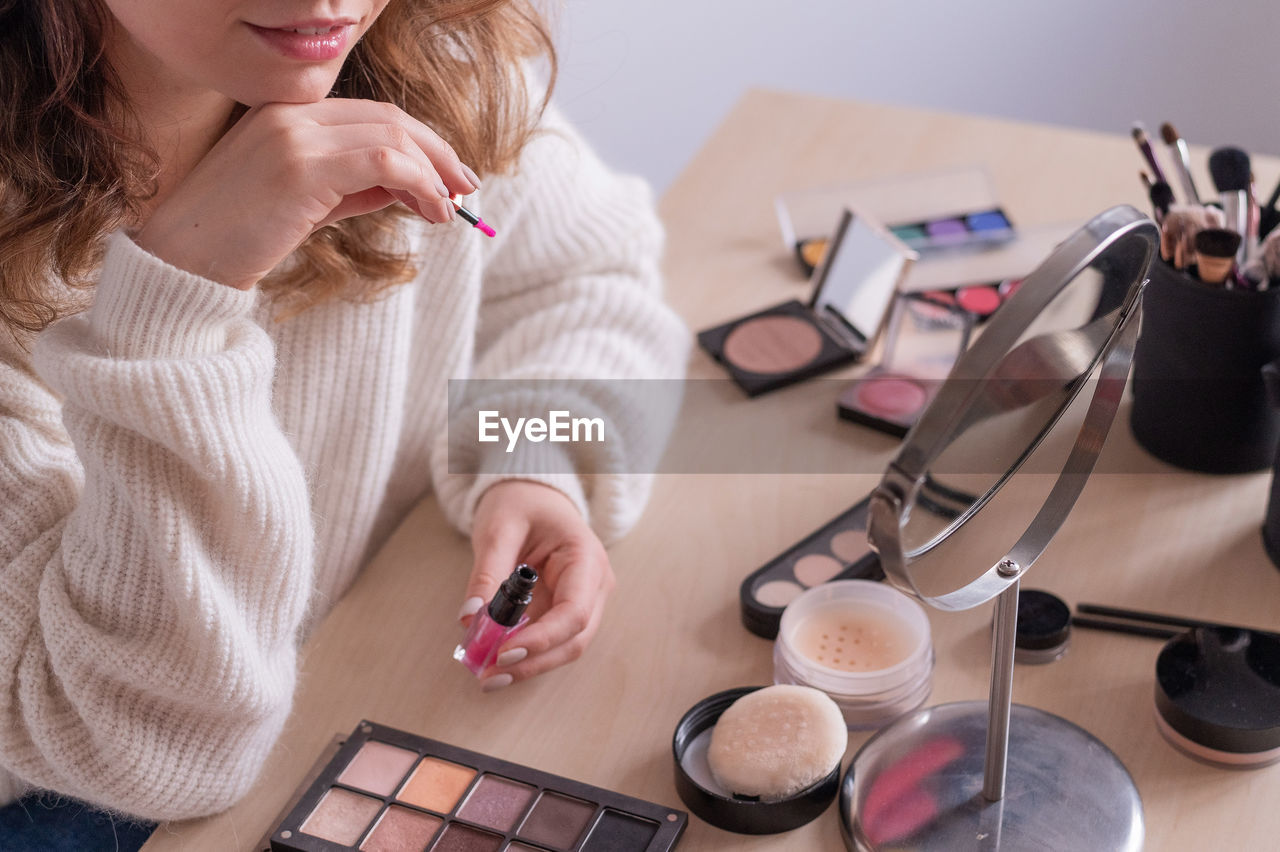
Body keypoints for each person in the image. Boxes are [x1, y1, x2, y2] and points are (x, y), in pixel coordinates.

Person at [0, 0, 688, 847]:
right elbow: (150, 753)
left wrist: (530, 458)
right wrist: (173, 306)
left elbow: (588, 282)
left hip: (346, 672)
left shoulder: (435, 67)